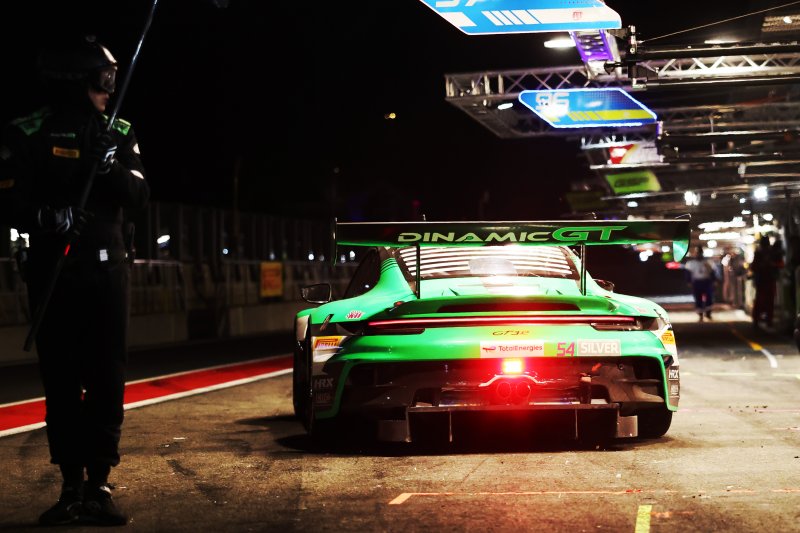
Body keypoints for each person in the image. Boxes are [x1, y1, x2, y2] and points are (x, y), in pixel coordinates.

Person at [0, 35, 149, 526]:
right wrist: (48, 217)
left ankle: (99, 484)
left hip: (108, 274)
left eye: (112, 80)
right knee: (61, 382)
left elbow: (140, 196)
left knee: (107, 378)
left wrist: (110, 167)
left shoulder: (117, 130)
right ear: (73, 81)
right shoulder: (28, 131)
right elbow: (8, 199)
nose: (110, 90)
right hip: (53, 273)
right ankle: (70, 486)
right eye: (102, 80)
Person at [750, 235, 780, 331]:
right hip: (762, 280)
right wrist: (762, 265)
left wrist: (772, 265)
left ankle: (767, 320)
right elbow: (753, 267)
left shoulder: (772, 253)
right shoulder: (759, 254)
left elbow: (779, 264)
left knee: (769, 301)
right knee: (761, 301)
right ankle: (758, 320)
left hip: (769, 279)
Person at [683, 245, 716, 321]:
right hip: (697, 282)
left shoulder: (708, 262)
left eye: (700, 252)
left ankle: (708, 313)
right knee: (698, 298)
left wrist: (714, 280)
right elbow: (688, 273)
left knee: (709, 297)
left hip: (707, 281)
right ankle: (700, 313)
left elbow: (712, 272)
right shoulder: (691, 263)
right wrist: (688, 281)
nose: (699, 254)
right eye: (697, 253)